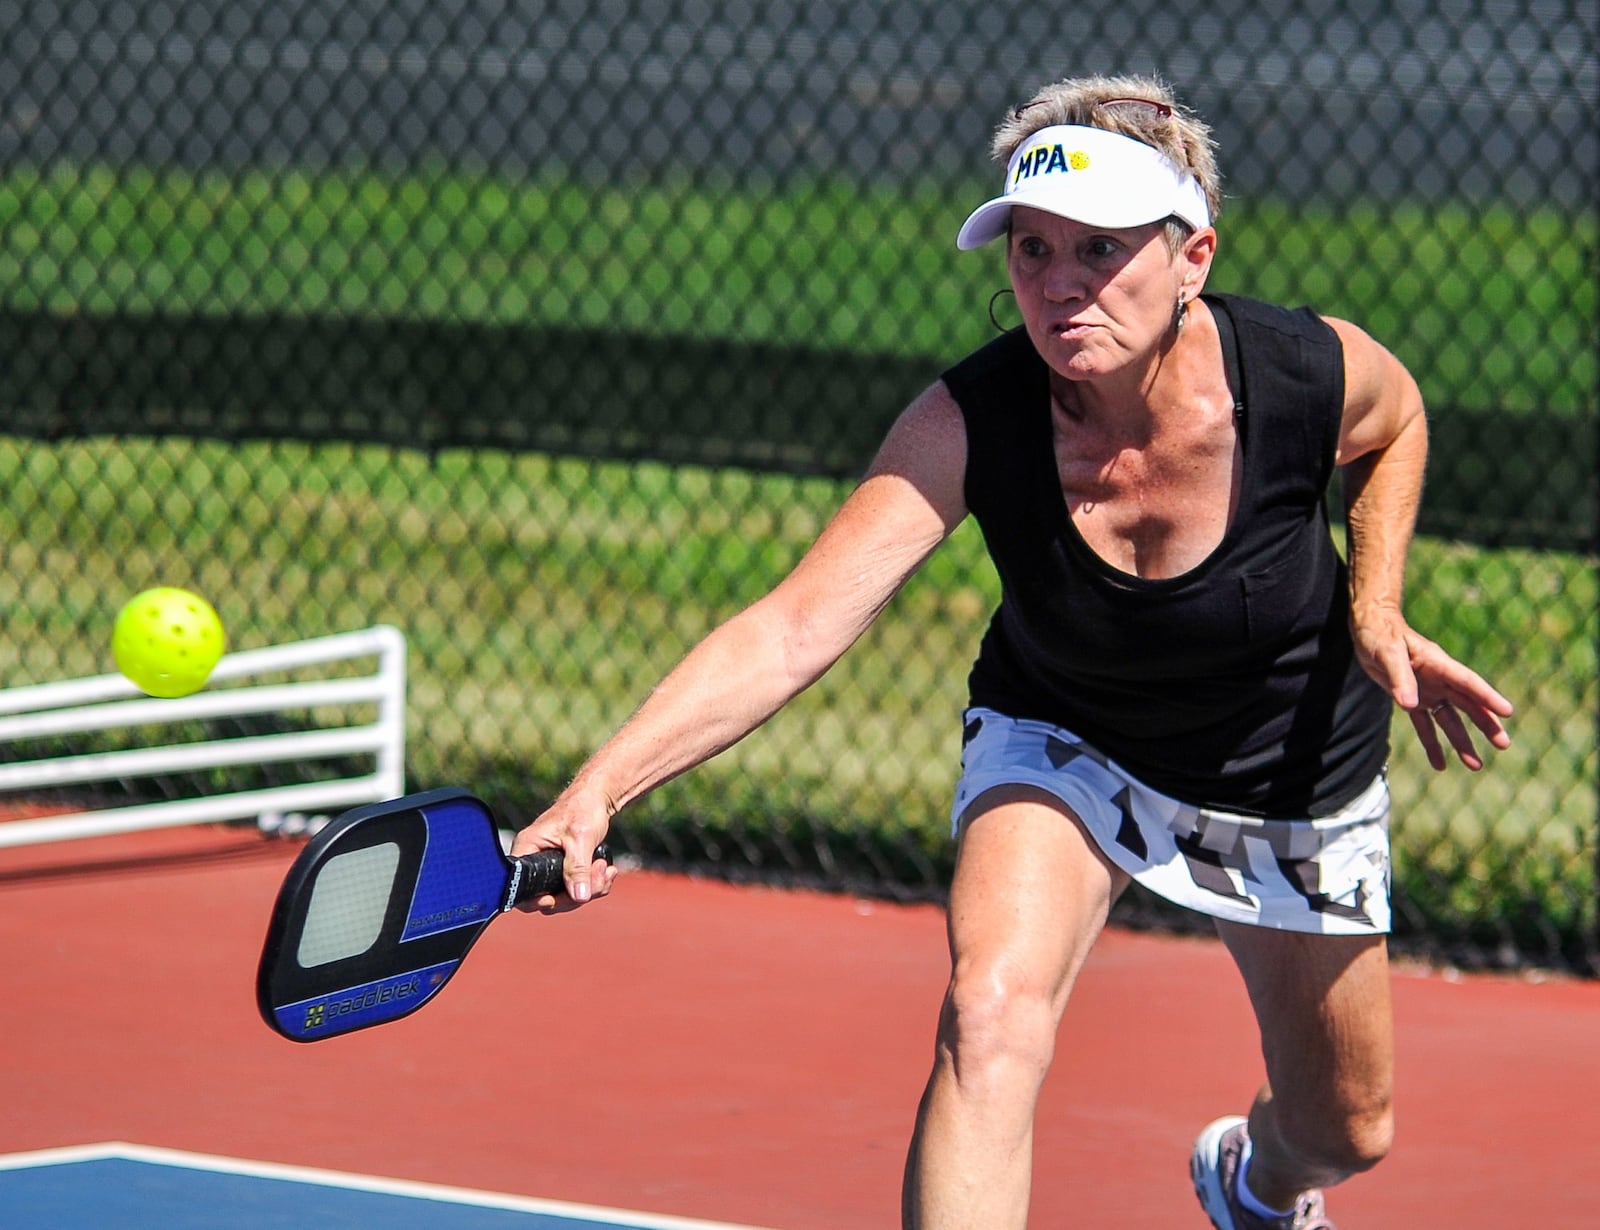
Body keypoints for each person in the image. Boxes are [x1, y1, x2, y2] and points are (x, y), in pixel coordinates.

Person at [510, 73, 1514, 1230]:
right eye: (1031, 250)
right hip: (1065, 736)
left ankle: (1256, 1180)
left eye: (1099, 247)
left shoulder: (1295, 374)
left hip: (1281, 762)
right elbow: (792, 626)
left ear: (1192, 257)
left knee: (1347, 1129)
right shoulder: (969, 422)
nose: (1059, 285)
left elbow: (1396, 423)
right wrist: (598, 790)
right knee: (987, 1013)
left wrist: (1373, 609)